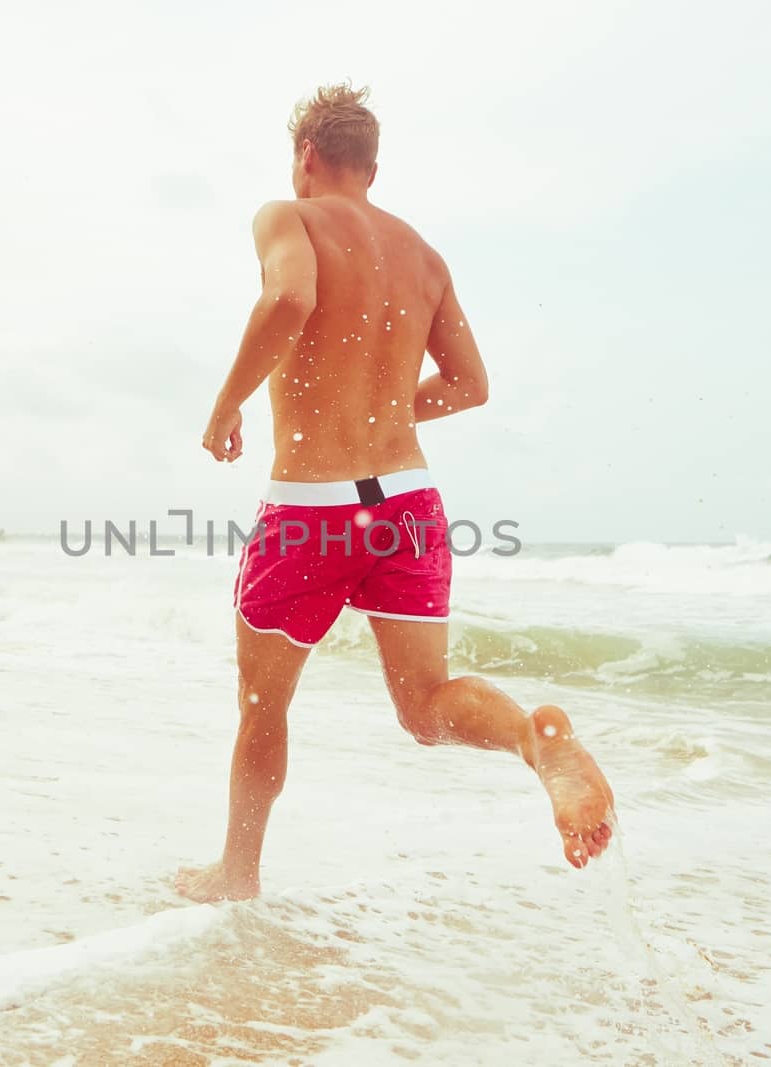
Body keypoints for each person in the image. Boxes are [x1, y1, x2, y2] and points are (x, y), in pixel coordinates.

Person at [177, 83, 615, 904]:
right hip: (408, 504)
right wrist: (386, 408)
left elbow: (291, 297)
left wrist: (228, 401)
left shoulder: (288, 215)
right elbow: (471, 384)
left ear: (308, 157)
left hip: (312, 510)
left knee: (263, 702)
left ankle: (236, 875)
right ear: (370, 167)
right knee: (424, 703)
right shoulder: (424, 256)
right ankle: (533, 736)